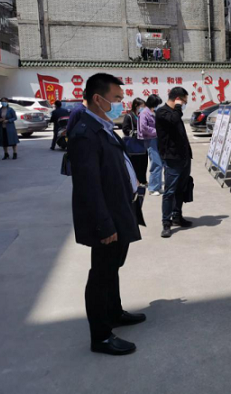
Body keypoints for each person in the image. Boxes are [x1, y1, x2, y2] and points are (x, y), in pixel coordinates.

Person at [67, 73, 145, 355]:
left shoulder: (102, 126)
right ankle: (100, 336)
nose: (121, 104)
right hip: (107, 218)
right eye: (116, 98)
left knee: (112, 268)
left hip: (120, 209)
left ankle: (114, 312)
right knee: (100, 274)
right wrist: (104, 224)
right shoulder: (85, 133)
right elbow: (88, 186)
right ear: (98, 99)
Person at [155, 87, 193, 238]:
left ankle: (177, 216)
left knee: (181, 189)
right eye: (184, 100)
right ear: (177, 99)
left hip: (184, 157)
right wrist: (178, 107)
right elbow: (173, 120)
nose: (185, 104)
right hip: (172, 158)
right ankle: (166, 222)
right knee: (170, 191)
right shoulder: (162, 112)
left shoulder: (175, 112)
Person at [138, 94, 163, 195]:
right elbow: (144, 128)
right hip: (150, 139)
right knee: (156, 163)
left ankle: (158, 186)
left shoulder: (153, 112)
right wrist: (158, 131)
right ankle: (152, 188)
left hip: (156, 139)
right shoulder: (144, 113)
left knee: (160, 164)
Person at [122, 98, 148, 185]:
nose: (143, 108)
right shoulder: (129, 116)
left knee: (143, 163)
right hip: (133, 146)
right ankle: (135, 181)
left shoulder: (143, 116)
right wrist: (137, 133)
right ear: (136, 106)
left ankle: (143, 180)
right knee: (135, 164)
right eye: (142, 106)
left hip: (143, 144)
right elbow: (125, 129)